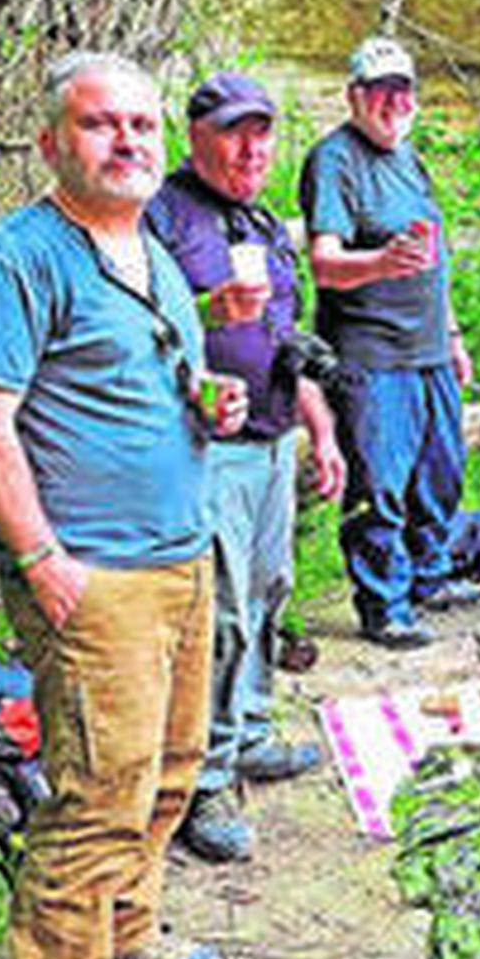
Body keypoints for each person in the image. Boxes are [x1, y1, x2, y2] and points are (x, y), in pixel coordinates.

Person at [0, 53, 249, 959]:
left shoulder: (149, 251)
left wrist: (210, 400)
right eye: (100, 124)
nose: (126, 140)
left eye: (141, 124)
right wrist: (41, 559)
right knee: (96, 800)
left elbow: (154, 378)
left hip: (180, 555)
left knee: (170, 772)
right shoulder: (17, 260)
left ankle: (129, 935)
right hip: (94, 573)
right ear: (51, 144)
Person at [147, 73, 346, 862]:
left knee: (269, 591)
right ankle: (203, 778)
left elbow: (284, 341)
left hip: (271, 443)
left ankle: (251, 729)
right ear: (196, 138)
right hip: (204, 449)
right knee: (218, 614)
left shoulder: (262, 221)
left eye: (262, 133)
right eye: (234, 132)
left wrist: (319, 433)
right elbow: (143, 333)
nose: (251, 148)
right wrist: (205, 319)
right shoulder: (162, 217)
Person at [300, 36, 475, 649]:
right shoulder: (335, 160)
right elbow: (324, 263)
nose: (394, 102)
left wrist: (452, 336)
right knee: (380, 486)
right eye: (380, 91)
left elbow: (435, 261)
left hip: (428, 348)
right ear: (354, 96)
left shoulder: (410, 160)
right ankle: (384, 606)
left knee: (442, 476)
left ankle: (429, 581)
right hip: (371, 355)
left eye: (403, 91)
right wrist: (379, 263)